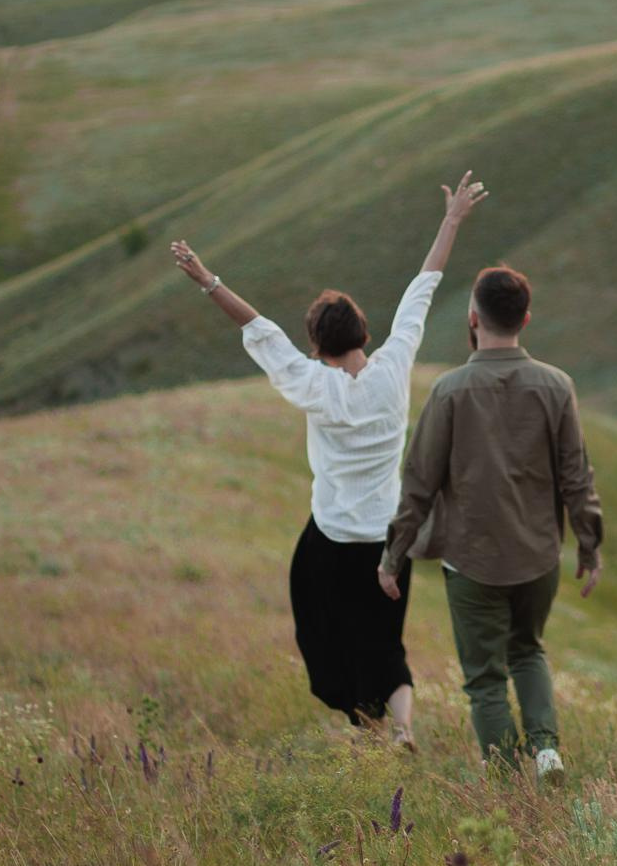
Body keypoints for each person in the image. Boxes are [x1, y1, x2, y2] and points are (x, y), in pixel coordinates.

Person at [170, 173, 489, 747]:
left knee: (323, 634)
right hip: (392, 535)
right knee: (386, 641)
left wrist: (207, 280)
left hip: (335, 536)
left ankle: (364, 724)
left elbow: (258, 329)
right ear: (364, 332)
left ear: (317, 345)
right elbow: (424, 287)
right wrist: (451, 220)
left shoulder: (315, 386)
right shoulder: (393, 372)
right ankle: (402, 730)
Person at [379, 264, 603, 782]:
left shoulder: (449, 391)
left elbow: (419, 482)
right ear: (525, 317)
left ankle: (505, 778)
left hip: (472, 560)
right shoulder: (556, 386)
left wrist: (394, 555)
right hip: (538, 555)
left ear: (473, 318)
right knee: (527, 650)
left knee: (485, 678)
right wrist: (589, 547)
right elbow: (576, 476)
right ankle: (547, 752)